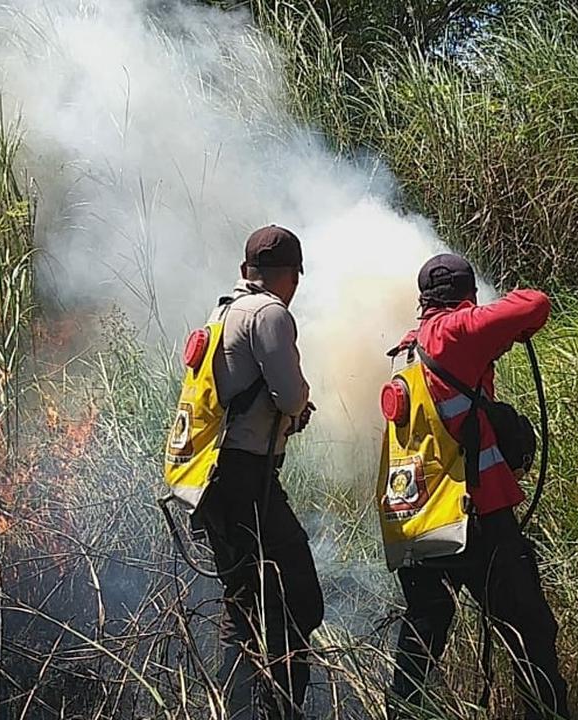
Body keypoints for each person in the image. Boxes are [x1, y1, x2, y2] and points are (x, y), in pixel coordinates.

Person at [387, 253, 570, 719]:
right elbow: (534, 303)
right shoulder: (454, 333)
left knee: (423, 635)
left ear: (423, 300)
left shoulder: (407, 350)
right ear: (467, 297)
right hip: (476, 520)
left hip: (421, 522)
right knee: (531, 629)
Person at [197, 225, 323, 719]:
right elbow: (290, 396)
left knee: (243, 601)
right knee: (300, 598)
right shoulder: (270, 313)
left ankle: (237, 709)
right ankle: (281, 708)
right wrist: (299, 409)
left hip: (214, 479)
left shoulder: (222, 311)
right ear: (292, 275)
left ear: (245, 270)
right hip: (248, 479)